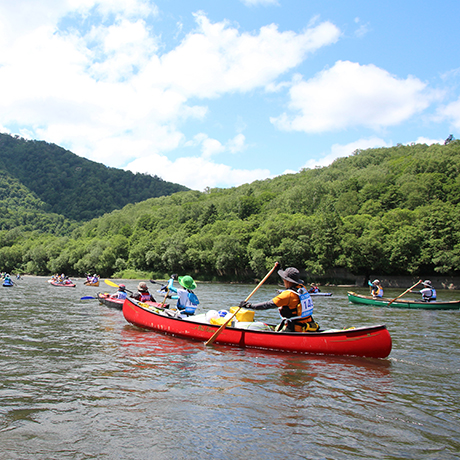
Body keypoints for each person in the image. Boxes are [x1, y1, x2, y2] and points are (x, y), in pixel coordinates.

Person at [242, 267, 319, 332]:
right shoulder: (302, 288)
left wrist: (249, 306)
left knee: (276, 330)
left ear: (287, 280)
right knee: (277, 327)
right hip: (309, 325)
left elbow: (268, 304)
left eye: (283, 279)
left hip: (295, 329)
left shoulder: (288, 295)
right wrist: (278, 267)